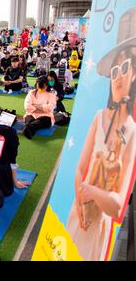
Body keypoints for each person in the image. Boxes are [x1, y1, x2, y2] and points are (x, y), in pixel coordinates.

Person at [66, 15, 136, 259]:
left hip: (99, 226)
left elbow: (117, 206)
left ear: (134, 74)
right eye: (115, 70)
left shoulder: (132, 130)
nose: (118, 76)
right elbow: (80, 168)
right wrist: (80, 200)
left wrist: (91, 192)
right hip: (79, 213)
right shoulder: (99, 117)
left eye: (125, 68)